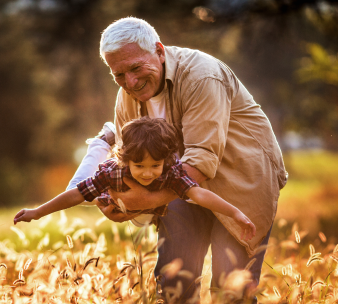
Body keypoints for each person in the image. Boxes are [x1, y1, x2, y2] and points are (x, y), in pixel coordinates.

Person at [66, 17, 288, 303]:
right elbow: (128, 160)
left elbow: (199, 163)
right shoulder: (126, 95)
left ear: (159, 51)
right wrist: (118, 202)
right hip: (178, 186)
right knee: (174, 285)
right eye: (118, 74)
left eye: (135, 68)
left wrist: (141, 201)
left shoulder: (202, 76)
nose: (130, 82)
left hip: (241, 183)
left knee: (230, 290)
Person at [14, 117, 256, 242]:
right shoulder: (112, 171)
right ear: (126, 159)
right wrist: (37, 212)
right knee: (78, 190)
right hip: (112, 193)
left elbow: (200, 194)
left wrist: (235, 213)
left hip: (146, 204)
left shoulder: (171, 171)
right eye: (139, 166)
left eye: (155, 166)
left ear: (166, 161)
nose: (148, 173)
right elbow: (76, 194)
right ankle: (103, 141)